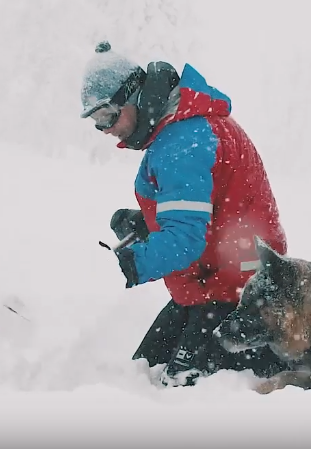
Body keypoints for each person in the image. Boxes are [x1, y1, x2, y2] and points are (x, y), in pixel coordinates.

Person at [80, 41, 289, 387]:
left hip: (241, 295)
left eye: (107, 115)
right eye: (96, 123)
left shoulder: (183, 139)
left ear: (132, 96)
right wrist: (146, 224)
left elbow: (186, 239)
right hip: (215, 284)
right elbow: (205, 211)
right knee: (143, 372)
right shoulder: (179, 129)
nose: (105, 130)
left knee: (175, 396)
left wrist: (138, 261)